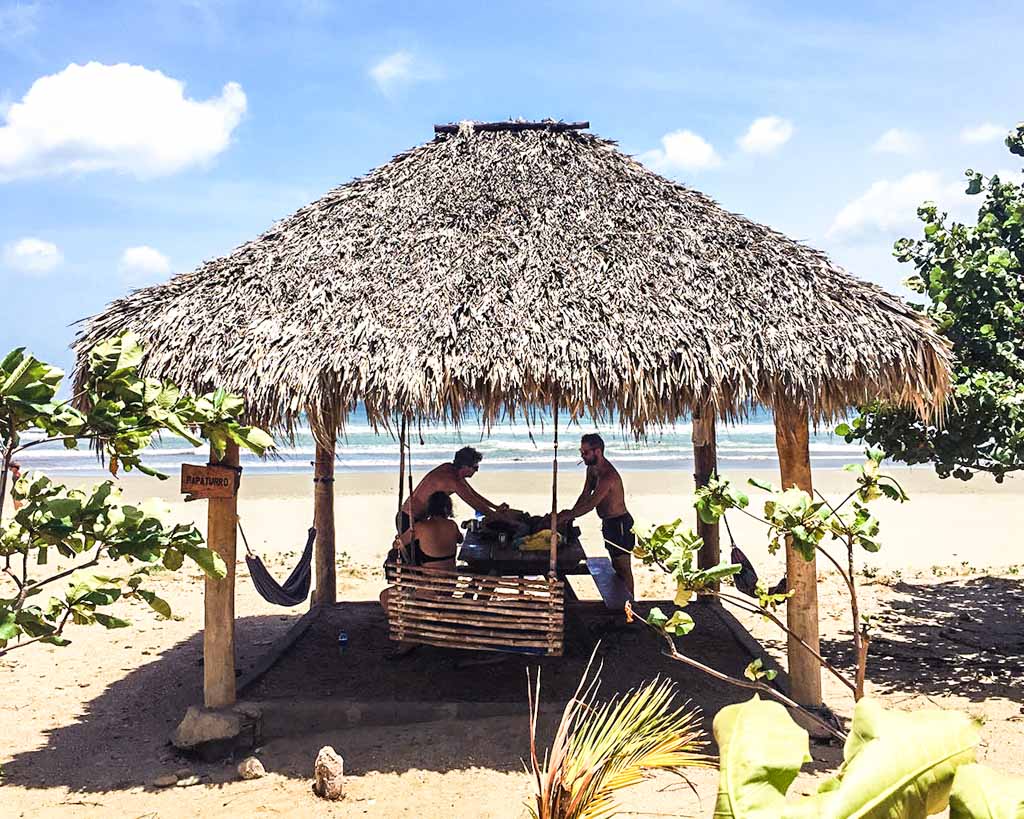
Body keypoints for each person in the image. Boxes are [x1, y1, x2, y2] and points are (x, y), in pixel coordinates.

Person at [380, 491, 463, 657]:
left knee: (385, 596)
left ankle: (409, 637)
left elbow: (397, 545)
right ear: (447, 508)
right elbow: (460, 539)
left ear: (429, 508)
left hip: (430, 588)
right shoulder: (452, 525)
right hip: (450, 585)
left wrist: (404, 536)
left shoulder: (420, 527)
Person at [557, 433, 635, 595]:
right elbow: (585, 495)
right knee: (615, 566)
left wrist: (569, 515)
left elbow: (592, 503)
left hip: (620, 523)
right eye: (581, 452)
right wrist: (570, 514)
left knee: (623, 567)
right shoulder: (592, 470)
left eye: (585, 452)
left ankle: (630, 607)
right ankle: (622, 604)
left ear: (597, 452)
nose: (582, 456)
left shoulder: (608, 476)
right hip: (607, 523)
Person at [397, 446, 511, 534]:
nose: (476, 471)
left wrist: (496, 507)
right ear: (465, 467)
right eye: (475, 467)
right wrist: (507, 521)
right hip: (409, 520)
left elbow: (473, 494)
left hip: (412, 517)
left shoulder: (451, 469)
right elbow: (477, 505)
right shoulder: (452, 481)